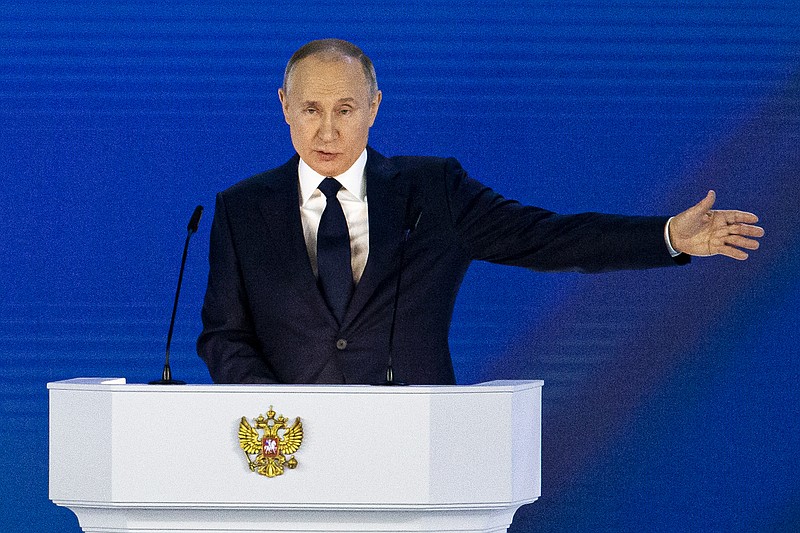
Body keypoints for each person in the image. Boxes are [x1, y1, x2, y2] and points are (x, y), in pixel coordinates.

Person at [197, 39, 764, 385]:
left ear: (373, 107)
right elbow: (224, 335)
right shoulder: (242, 209)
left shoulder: (433, 189)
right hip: (290, 455)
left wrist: (666, 236)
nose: (327, 130)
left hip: (416, 450)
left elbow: (551, 239)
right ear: (284, 108)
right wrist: (275, 408)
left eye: (344, 109)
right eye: (311, 109)